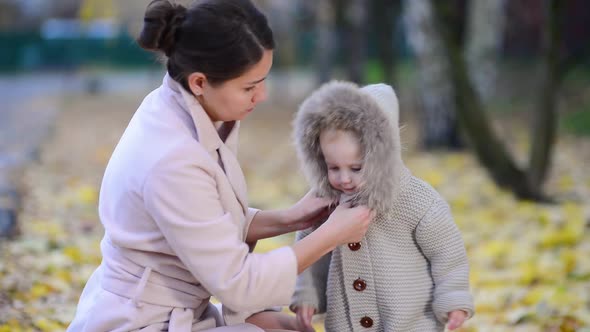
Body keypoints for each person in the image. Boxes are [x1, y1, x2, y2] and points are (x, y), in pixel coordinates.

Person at [67, 1, 374, 331]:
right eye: (249, 86)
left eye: (263, 80)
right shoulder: (171, 159)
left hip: (171, 310)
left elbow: (200, 223)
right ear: (199, 82)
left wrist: (290, 218)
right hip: (140, 321)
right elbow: (238, 283)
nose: (263, 95)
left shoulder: (177, 108)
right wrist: (331, 235)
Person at [290, 81, 474, 332]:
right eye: (333, 167)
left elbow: (447, 253)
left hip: (410, 322)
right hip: (346, 324)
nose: (344, 178)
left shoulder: (417, 201)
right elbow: (312, 251)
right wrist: (307, 296)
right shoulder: (326, 202)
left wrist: (454, 299)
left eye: (356, 168)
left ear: (383, 158)